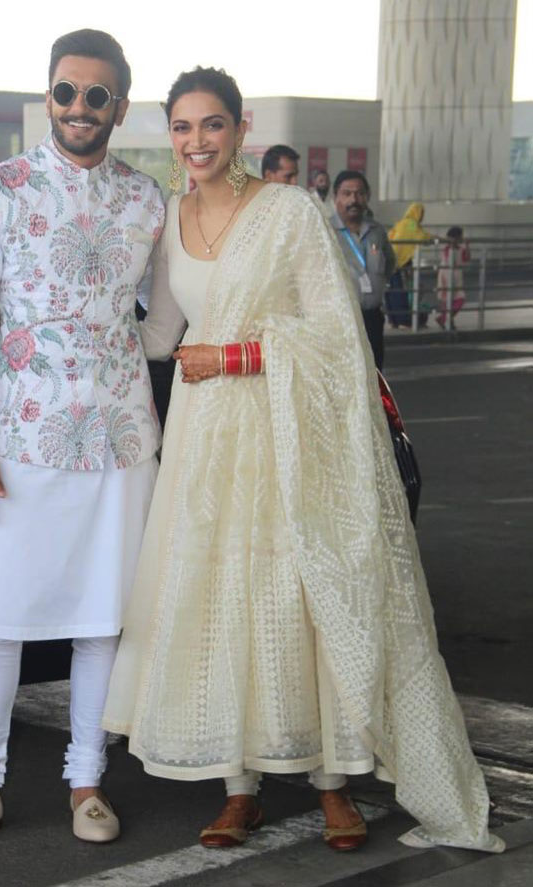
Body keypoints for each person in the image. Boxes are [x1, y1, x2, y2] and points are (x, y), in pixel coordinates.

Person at [103, 66, 503, 857]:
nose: (196, 141)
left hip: (283, 432)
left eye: (211, 124)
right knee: (221, 594)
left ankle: (331, 781)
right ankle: (238, 785)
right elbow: (160, 333)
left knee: (299, 590)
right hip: (203, 441)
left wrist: (235, 355)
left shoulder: (288, 211)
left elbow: (334, 336)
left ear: (239, 128)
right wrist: (70, 320)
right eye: (181, 127)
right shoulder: (171, 217)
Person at [0, 29, 165, 850]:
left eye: (96, 95)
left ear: (119, 105)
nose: (78, 107)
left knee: (102, 622)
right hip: (18, 438)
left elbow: (165, 319)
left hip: (123, 439)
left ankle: (86, 780)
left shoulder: (148, 200)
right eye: (65, 91)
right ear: (48, 95)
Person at [330, 170, 395, 370]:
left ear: (367, 197)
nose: (353, 200)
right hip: (340, 321)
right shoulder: (326, 232)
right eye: (347, 194)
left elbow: (390, 263)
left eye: (359, 193)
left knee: (374, 374)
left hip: (372, 317)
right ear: (335, 197)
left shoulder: (377, 231)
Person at [388, 203, 434, 329]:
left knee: (391, 291)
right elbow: (422, 237)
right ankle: (403, 321)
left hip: (390, 260)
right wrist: (437, 238)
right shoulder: (411, 224)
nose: (422, 216)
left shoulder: (401, 223)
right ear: (417, 212)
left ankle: (393, 320)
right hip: (398, 262)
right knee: (399, 292)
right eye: (422, 213)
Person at [436, 226, 470, 329]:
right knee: (447, 300)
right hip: (446, 277)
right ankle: (447, 321)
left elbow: (467, 259)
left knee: (460, 298)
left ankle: (444, 319)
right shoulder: (447, 248)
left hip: (457, 277)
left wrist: (467, 246)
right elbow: (451, 261)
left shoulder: (461, 248)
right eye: (460, 236)